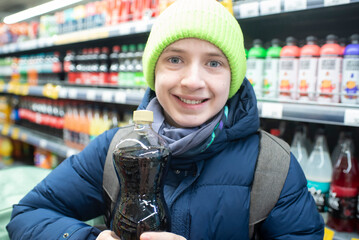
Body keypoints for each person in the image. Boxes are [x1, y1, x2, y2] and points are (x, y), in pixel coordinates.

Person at [7, 0, 324, 239]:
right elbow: (28, 214)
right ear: (153, 71)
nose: (192, 80)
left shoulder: (273, 167)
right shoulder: (114, 149)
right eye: (175, 59)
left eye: (213, 63)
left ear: (234, 79)